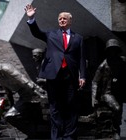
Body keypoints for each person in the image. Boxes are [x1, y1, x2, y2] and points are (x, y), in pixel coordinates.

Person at [25, 4, 86, 140]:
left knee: (71, 106)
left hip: (70, 76)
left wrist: (82, 76)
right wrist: (31, 19)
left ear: (70, 21)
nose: (62, 20)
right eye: (60, 19)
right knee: (55, 107)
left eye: (65, 19)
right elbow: (37, 33)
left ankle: (69, 136)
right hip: (54, 76)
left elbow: (81, 58)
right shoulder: (51, 34)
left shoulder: (78, 38)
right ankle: (56, 137)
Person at [0, 53, 47, 118]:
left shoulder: (6, 68)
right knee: (10, 116)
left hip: (32, 92)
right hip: (24, 96)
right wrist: (12, 105)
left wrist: (39, 94)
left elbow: (23, 80)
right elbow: (8, 92)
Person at [91, 39, 126, 139]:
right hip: (107, 94)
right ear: (108, 51)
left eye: (115, 50)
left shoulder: (123, 62)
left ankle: (116, 129)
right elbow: (95, 82)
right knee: (117, 108)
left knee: (119, 113)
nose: (113, 53)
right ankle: (114, 130)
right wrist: (94, 98)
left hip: (119, 93)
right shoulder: (103, 65)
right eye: (111, 50)